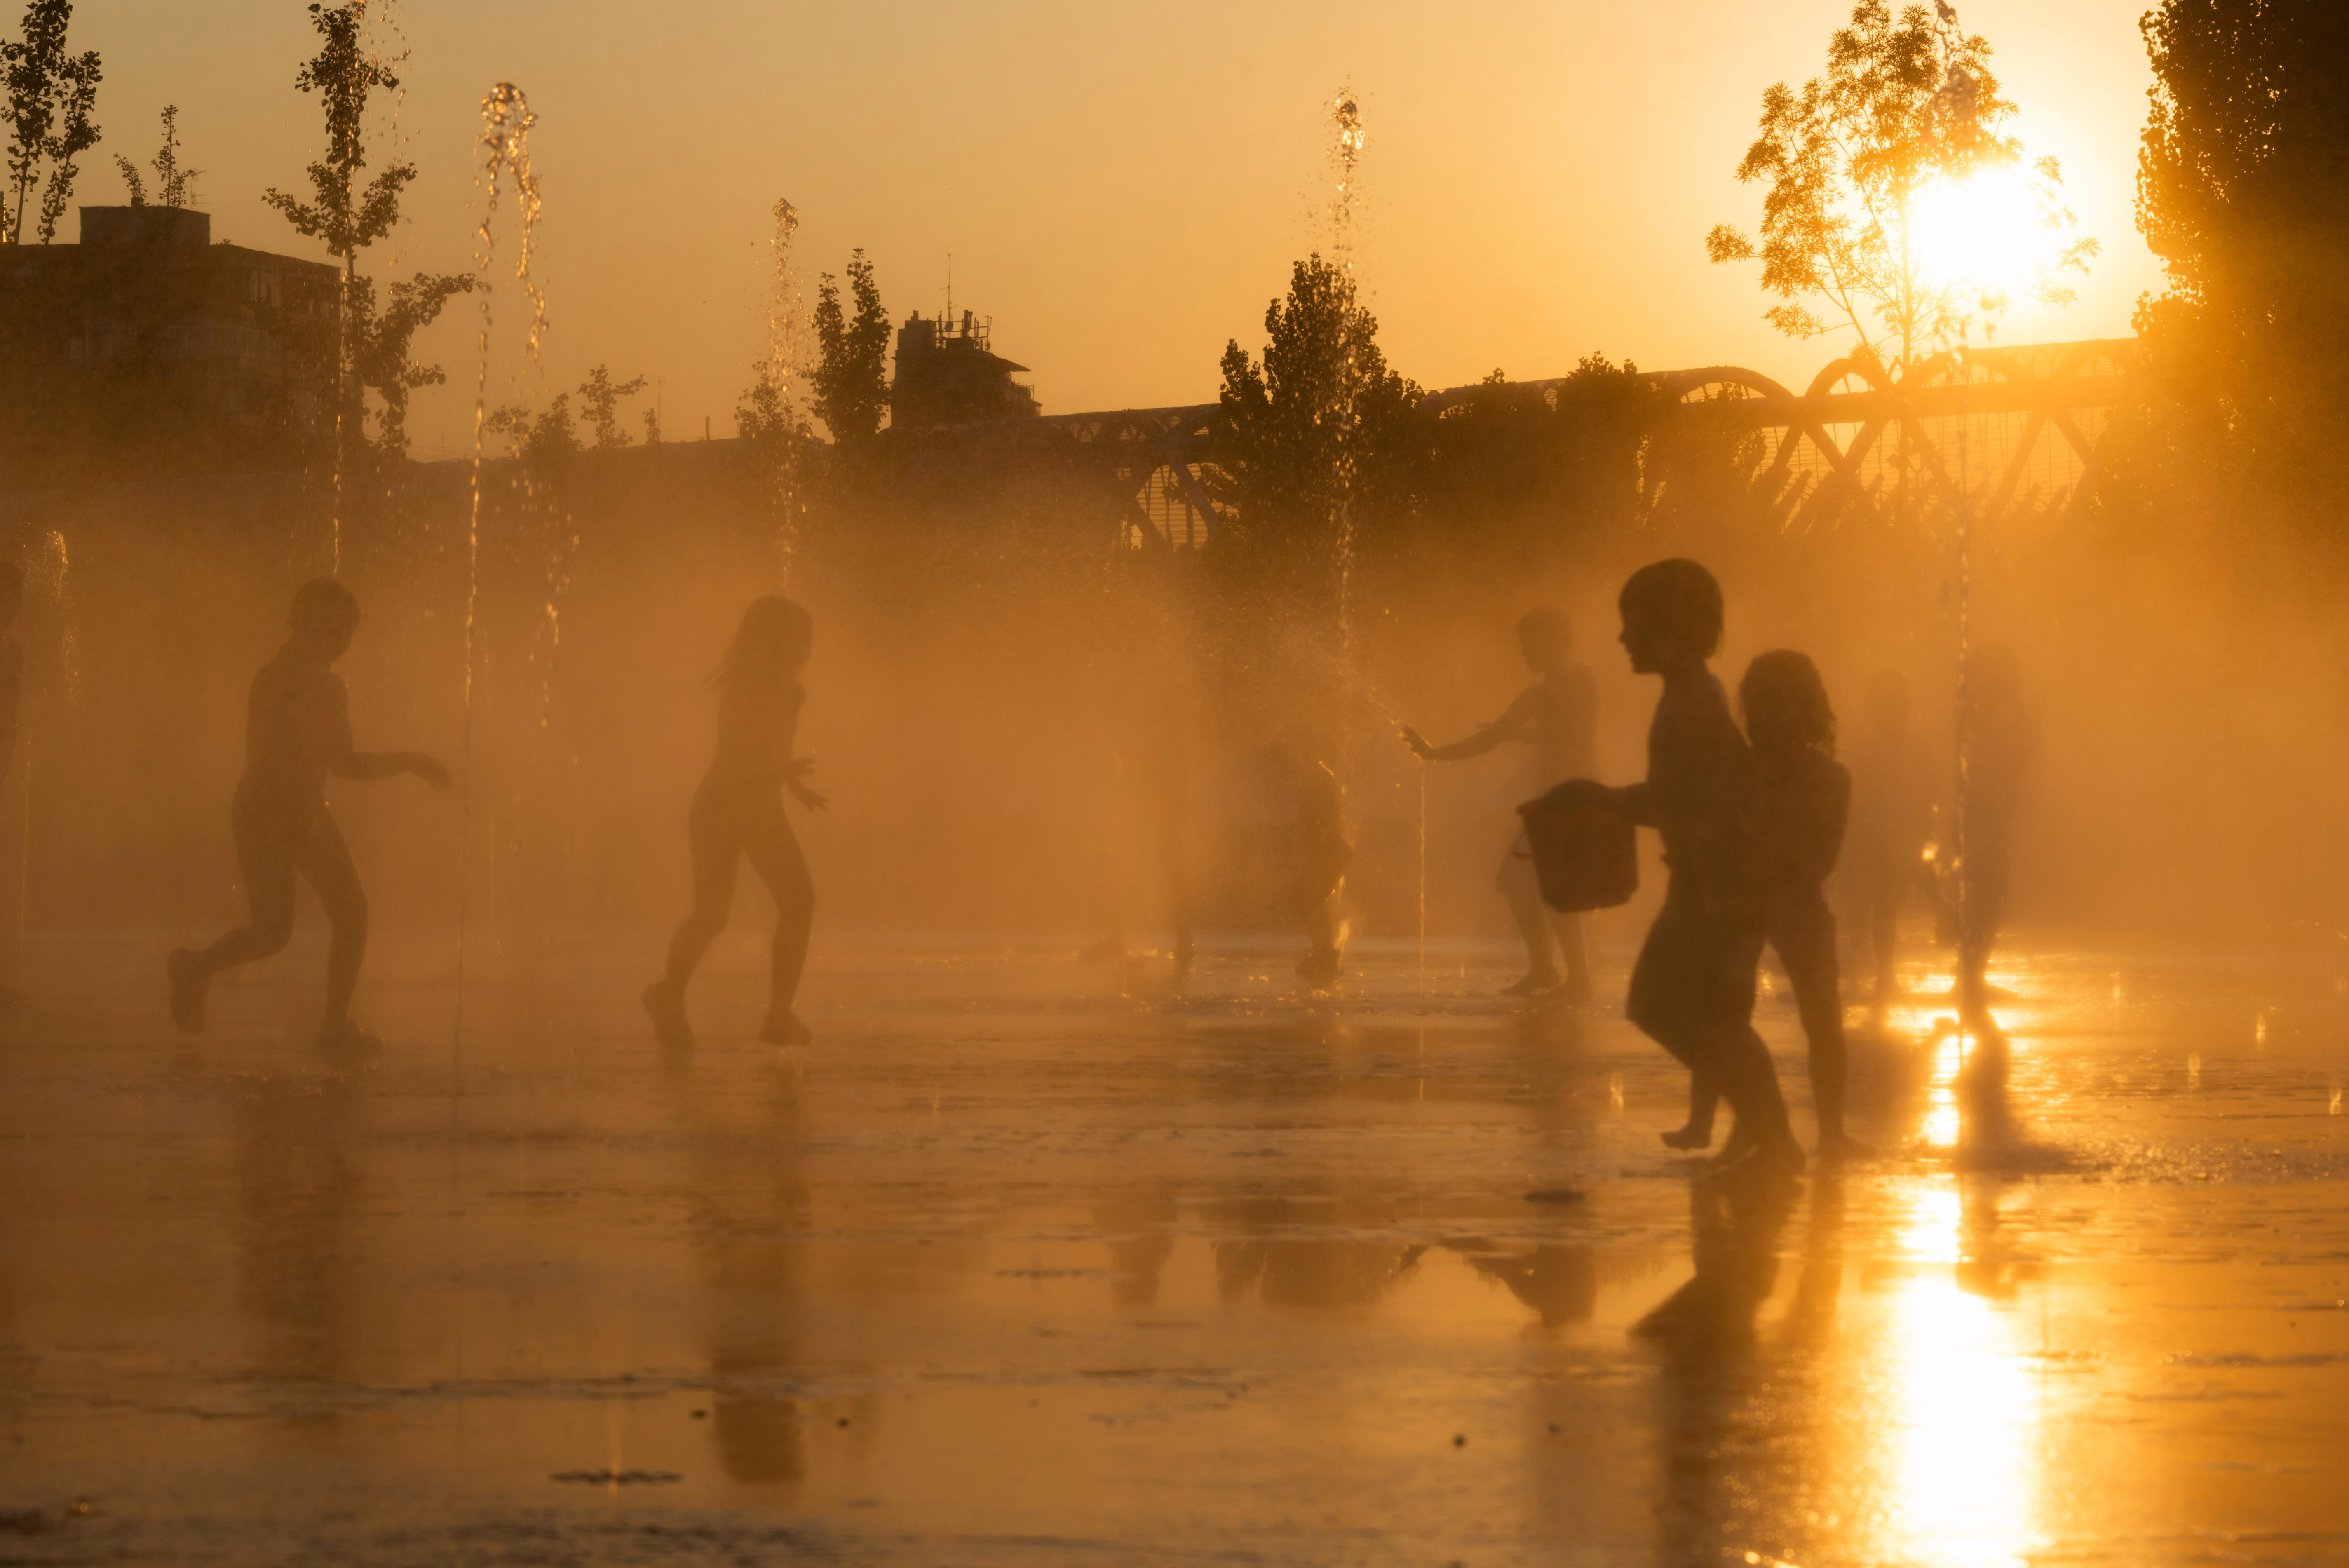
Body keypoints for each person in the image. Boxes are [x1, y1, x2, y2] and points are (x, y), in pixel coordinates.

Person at [1549, 559, 1800, 1175]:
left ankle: (1773, 1138)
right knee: (1703, 1017)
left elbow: (1679, 803)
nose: (1622, 639)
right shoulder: (1690, 694)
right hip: (1714, 881)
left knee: (1674, 1010)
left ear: (1670, 627)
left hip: (1717, 887)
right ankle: (1764, 1132)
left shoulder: (1691, 703)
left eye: (1632, 625)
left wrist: (1601, 798)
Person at [168, 579, 451, 1054]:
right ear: (310, 625)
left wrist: (410, 762)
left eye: (350, 632)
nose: (345, 642)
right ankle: (208, 974)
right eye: (338, 629)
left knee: (312, 921)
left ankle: (210, 974)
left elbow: (343, 764)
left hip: (293, 810)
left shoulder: (330, 687)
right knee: (307, 923)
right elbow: (260, 758)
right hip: (267, 810)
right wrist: (286, 816)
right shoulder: (276, 679)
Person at [1668, 651, 1863, 1160]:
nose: (1768, 717)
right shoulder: (1741, 770)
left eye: (1780, 706)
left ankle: (1824, 1132)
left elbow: (1821, 859)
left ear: (1803, 711)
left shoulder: (1821, 778)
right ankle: (1724, 1125)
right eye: (1761, 705)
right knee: (1733, 1018)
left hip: (1778, 901)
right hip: (1763, 902)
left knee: (1813, 1022)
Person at [645, 595, 825, 1049]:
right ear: (771, 639)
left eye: (807, 639)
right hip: (728, 803)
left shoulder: (791, 691)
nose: (804, 648)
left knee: (785, 903)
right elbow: (738, 747)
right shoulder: (745, 685)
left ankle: (765, 1013)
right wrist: (779, 771)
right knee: (718, 913)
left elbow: (772, 751)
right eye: (796, 637)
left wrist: (792, 782)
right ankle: (684, 998)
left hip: (752, 803)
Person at [1402, 606, 1600, 999]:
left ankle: (1577, 980)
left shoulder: (1576, 679)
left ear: (1555, 640)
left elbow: (1571, 731)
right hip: (1554, 798)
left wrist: (1517, 734)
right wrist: (1435, 753)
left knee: (1550, 885)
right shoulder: (1538, 692)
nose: (1523, 652)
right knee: (1517, 881)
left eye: (1529, 642)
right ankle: (1545, 969)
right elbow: (1492, 737)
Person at [1956, 643, 2037, 1039]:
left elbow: (2021, 763)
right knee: (1985, 893)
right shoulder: (1978, 719)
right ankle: (1969, 977)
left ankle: (1972, 974)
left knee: (1989, 894)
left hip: (1993, 816)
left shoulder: (1995, 718)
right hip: (1981, 819)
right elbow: (2003, 764)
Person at [1844, 671, 1936, 1012]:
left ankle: (1881, 972)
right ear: (1873, 711)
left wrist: (1924, 828)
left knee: (1883, 908)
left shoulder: (1913, 747)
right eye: (1888, 707)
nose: (1895, 714)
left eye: (1899, 707)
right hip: (1868, 838)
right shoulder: (1865, 748)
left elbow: (1929, 791)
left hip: (1892, 837)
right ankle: (1864, 965)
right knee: (1866, 907)